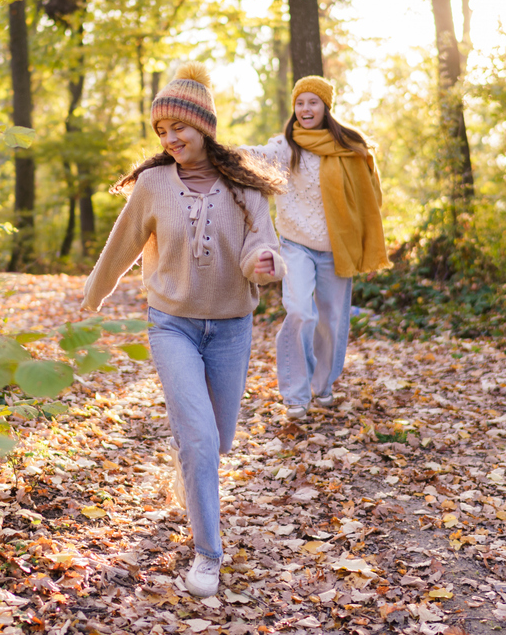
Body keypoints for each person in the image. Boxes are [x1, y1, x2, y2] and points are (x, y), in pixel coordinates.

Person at [82, 62, 287, 598]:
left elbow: (260, 244)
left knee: (215, 441)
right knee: (197, 436)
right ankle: (208, 554)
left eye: (179, 127)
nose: (170, 139)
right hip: (170, 323)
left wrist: (264, 263)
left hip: (231, 327)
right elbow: (121, 244)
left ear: (205, 127)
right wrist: (93, 295)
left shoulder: (244, 183)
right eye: (161, 131)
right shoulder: (152, 184)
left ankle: (190, 471)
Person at [240, 75, 389, 420]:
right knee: (300, 313)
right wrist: (210, 146)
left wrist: (364, 238)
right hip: (296, 248)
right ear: (294, 108)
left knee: (332, 322)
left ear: (325, 107)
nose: (305, 109)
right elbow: (251, 156)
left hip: (337, 248)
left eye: (313, 102)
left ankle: (322, 386)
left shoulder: (348, 148)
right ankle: (295, 394)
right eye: (300, 103)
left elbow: (369, 197)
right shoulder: (284, 147)